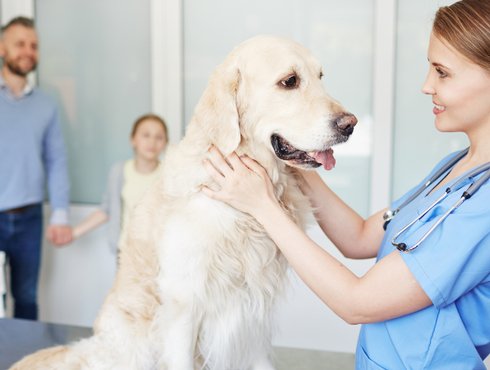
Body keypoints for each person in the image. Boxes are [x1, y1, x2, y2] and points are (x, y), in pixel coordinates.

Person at [202, 0, 490, 368]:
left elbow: (358, 302)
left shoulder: (484, 209)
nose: (425, 85)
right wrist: (298, 159)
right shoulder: (454, 168)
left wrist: (263, 207)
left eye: (442, 72)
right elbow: (360, 237)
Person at [0, 17, 72, 320]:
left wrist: (60, 213)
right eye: (20, 44)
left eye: (34, 46)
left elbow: (56, 160)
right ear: (2, 48)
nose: (28, 51)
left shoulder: (47, 104)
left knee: (27, 299)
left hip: (29, 217)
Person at [70, 114, 168, 255]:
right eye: (146, 135)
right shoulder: (119, 171)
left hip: (160, 254)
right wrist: (73, 233)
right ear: (133, 139)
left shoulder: (169, 174)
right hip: (126, 253)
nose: (152, 142)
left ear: (165, 143)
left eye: (159, 137)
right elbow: (106, 210)